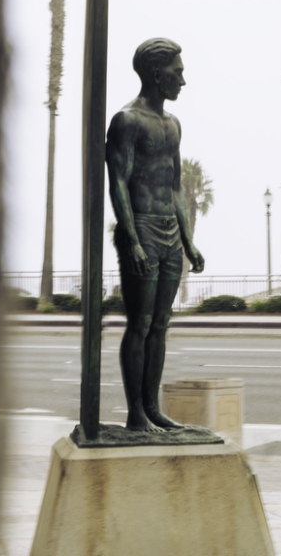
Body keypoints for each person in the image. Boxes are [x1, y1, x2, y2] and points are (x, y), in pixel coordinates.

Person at [107, 38, 206, 433]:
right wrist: (130, 238)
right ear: (155, 73)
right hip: (143, 228)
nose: (183, 80)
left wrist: (188, 238)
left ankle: (152, 406)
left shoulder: (173, 125)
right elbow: (118, 181)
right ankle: (135, 413)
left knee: (161, 324)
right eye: (177, 73)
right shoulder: (127, 120)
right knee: (141, 323)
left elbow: (176, 186)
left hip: (169, 232)